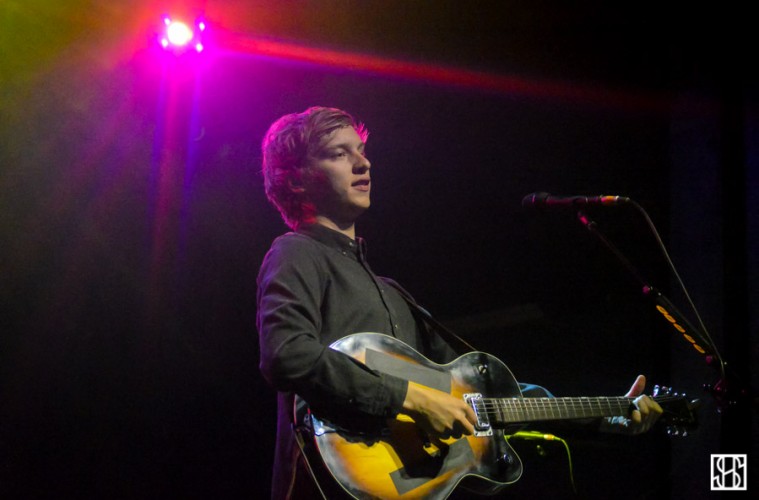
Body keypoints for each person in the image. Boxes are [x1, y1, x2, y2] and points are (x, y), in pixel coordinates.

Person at [256, 106, 662, 499]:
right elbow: (287, 354)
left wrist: (607, 416)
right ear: (296, 180)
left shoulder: (392, 293)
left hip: (400, 484)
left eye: (361, 151)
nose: (363, 164)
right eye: (339, 154)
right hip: (325, 481)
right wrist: (413, 398)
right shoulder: (296, 252)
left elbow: (480, 393)